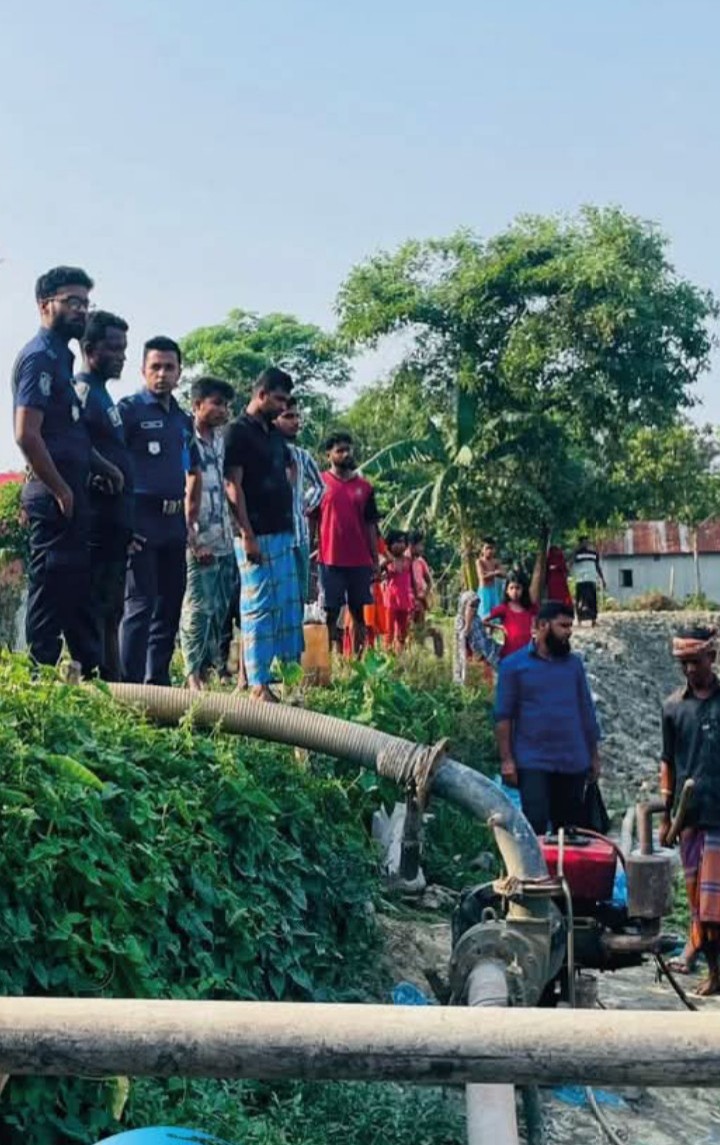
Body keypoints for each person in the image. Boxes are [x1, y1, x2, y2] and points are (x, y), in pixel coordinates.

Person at [12, 266, 104, 675]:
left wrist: (102, 468)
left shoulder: (62, 358)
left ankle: (93, 679)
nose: (81, 310)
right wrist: (61, 489)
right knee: (50, 593)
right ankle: (38, 685)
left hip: (72, 494)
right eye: (72, 301)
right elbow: (26, 434)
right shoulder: (38, 357)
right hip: (52, 498)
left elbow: (68, 432)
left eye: (85, 303)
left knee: (76, 591)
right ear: (44, 304)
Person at [118, 337, 201, 685]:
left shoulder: (183, 420)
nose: (162, 374)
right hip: (140, 518)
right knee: (139, 606)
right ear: (143, 370)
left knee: (169, 606)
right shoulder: (129, 411)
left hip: (173, 522)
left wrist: (190, 522)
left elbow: (193, 469)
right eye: (155, 367)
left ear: (180, 372)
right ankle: (129, 691)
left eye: (169, 367)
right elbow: (110, 464)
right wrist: (121, 522)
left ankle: (158, 687)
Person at [224, 367, 302, 702]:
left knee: (285, 608)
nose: (283, 406)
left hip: (282, 532)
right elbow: (232, 486)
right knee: (258, 607)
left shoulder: (272, 435)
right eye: (280, 399)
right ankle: (257, 684)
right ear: (262, 395)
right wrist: (247, 533)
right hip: (255, 535)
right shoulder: (237, 432)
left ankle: (280, 678)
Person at [494, 600, 602, 835]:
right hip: (534, 761)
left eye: (570, 626)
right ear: (542, 626)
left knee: (570, 833)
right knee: (536, 828)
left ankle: (566, 873)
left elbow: (586, 711)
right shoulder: (513, 666)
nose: (568, 632)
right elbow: (503, 717)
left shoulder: (574, 665)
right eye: (562, 626)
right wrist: (507, 760)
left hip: (573, 761)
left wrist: (594, 756)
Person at [74, 310, 136, 680]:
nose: (121, 356)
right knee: (97, 604)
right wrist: (104, 469)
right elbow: (73, 442)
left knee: (113, 605)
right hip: (96, 522)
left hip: (117, 521)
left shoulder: (104, 395)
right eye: (114, 348)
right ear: (89, 348)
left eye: (124, 348)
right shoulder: (82, 391)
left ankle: (117, 677)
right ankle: (99, 679)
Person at [660, 626, 720, 995]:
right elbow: (667, 761)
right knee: (700, 903)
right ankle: (715, 970)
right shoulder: (673, 707)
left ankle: (715, 973)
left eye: (695, 662)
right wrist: (667, 815)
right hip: (692, 817)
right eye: (683, 664)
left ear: (711, 658)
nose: (689, 670)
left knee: (715, 906)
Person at [179, 377, 238, 691]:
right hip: (198, 541)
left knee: (219, 610)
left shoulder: (220, 439)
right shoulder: (184, 438)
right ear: (197, 404)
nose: (222, 410)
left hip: (225, 538)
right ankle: (191, 676)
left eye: (226, 405)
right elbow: (185, 491)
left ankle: (208, 669)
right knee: (198, 609)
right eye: (216, 403)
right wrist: (193, 539)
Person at [316, 431, 380, 656]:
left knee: (358, 613)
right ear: (328, 455)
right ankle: (329, 660)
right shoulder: (321, 483)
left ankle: (358, 661)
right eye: (340, 450)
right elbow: (311, 517)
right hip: (330, 558)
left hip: (359, 560)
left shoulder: (365, 487)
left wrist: (375, 559)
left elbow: (371, 525)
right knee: (331, 612)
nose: (345, 454)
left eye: (348, 449)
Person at [274, 395, 324, 603]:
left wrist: (305, 505)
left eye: (296, 416)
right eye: (288, 416)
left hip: (300, 537)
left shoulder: (302, 455)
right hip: (273, 538)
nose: (295, 421)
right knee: (276, 596)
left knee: (299, 596)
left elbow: (320, 485)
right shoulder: (263, 452)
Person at [488, 551, 545, 660]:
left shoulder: (530, 608)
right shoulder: (503, 609)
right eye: (511, 588)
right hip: (509, 654)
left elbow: (543, 621)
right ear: (506, 591)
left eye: (518, 588)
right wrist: (499, 627)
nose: (514, 591)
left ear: (523, 589)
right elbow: (484, 619)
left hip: (527, 652)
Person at [453, 590, 500, 686]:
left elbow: (480, 624)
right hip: (473, 651)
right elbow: (463, 636)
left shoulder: (476, 617)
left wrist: (493, 626)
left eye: (476, 606)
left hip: (484, 645)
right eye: (471, 606)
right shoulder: (460, 619)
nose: (474, 609)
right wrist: (468, 620)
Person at [381, 529, 414, 652]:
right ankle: (387, 654)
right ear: (389, 544)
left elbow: (413, 581)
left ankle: (400, 656)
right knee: (388, 630)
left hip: (405, 600)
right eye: (397, 542)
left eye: (403, 542)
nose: (400, 545)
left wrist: (414, 596)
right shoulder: (387, 561)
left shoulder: (408, 561)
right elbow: (378, 573)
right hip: (390, 600)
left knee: (403, 631)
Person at [573, 536, 606, 626]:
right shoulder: (576, 554)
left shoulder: (594, 553)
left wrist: (602, 579)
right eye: (583, 542)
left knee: (592, 600)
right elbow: (570, 562)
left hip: (591, 579)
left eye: (587, 542)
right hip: (580, 579)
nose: (585, 544)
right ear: (580, 543)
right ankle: (579, 620)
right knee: (580, 600)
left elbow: (597, 567)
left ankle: (593, 620)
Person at [476, 538, 506, 618]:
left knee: (494, 614)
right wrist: (495, 573)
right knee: (484, 614)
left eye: (492, 548)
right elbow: (482, 577)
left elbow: (503, 574)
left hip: (493, 590)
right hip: (484, 590)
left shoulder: (496, 562)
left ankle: (490, 631)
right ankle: (484, 630)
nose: (490, 551)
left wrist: (489, 573)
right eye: (487, 548)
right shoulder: (480, 561)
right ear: (482, 550)